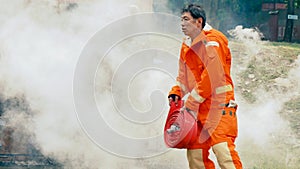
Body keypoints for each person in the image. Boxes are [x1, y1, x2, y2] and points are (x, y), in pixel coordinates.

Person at [168, 4, 243, 169]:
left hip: (219, 107)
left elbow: (213, 76)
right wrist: (177, 92)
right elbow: (185, 76)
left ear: (198, 22)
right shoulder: (187, 43)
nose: (182, 23)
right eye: (181, 19)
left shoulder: (214, 41)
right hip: (197, 111)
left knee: (224, 152)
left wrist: (192, 102)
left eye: (186, 20)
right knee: (196, 157)